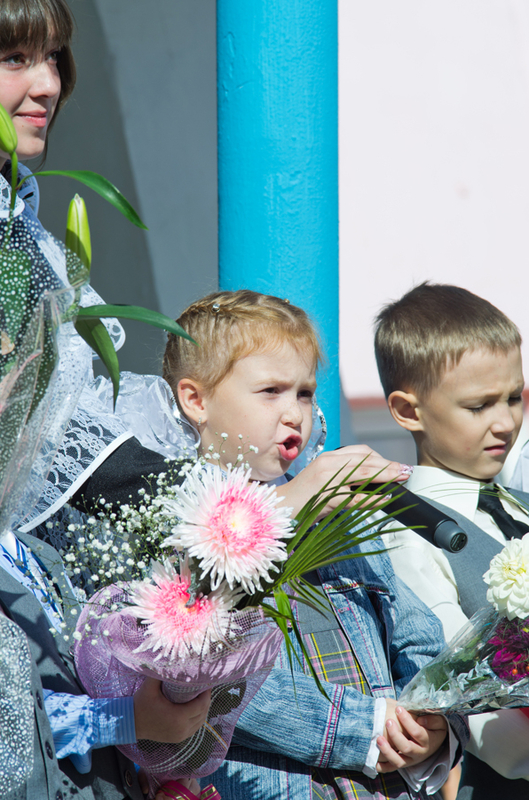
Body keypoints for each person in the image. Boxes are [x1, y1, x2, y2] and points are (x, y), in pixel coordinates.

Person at [135, 289, 467, 800]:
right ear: (196, 400)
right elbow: (211, 682)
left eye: (306, 393)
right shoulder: (174, 525)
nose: (294, 413)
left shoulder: (337, 516)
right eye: (271, 391)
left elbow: (414, 631)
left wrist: (430, 719)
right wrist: (362, 727)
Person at [0, 3, 211, 798]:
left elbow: (77, 431)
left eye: (53, 57)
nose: (47, 84)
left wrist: (228, 521)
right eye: (15, 59)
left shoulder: (28, 242)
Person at [374, 282, 529, 799]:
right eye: (479, 406)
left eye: (514, 397)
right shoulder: (408, 528)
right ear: (408, 410)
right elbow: (456, 685)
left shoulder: (520, 505)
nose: (505, 421)